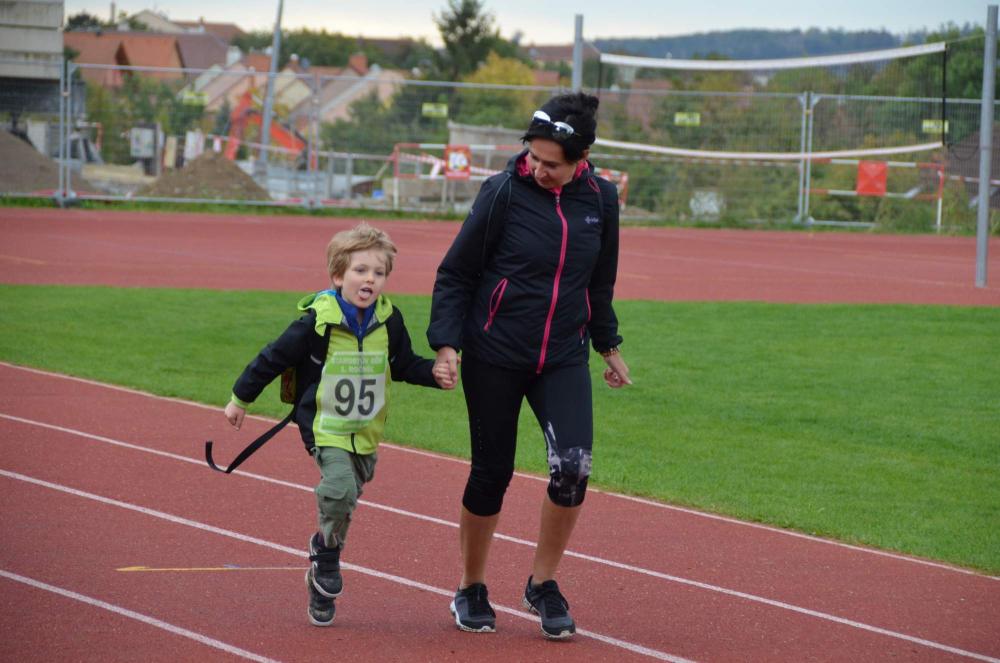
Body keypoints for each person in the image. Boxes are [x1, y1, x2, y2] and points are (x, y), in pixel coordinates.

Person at [428, 92, 631, 639]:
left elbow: (599, 282)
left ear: (581, 159)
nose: (538, 169)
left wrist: (608, 344)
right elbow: (455, 273)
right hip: (494, 352)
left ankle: (543, 583)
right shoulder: (502, 191)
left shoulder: (602, 200)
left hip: (562, 355)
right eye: (534, 158)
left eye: (552, 164)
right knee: (492, 472)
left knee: (573, 467)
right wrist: (446, 343)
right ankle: (471, 587)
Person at [223, 222, 455, 627]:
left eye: (378, 273)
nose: (370, 280)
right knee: (339, 488)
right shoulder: (317, 322)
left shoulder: (389, 320)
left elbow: (402, 365)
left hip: (366, 430)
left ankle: (322, 559)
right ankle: (328, 558)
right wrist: (240, 398)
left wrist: (433, 374)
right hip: (324, 425)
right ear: (337, 275)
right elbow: (273, 358)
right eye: (360, 270)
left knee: (345, 502)